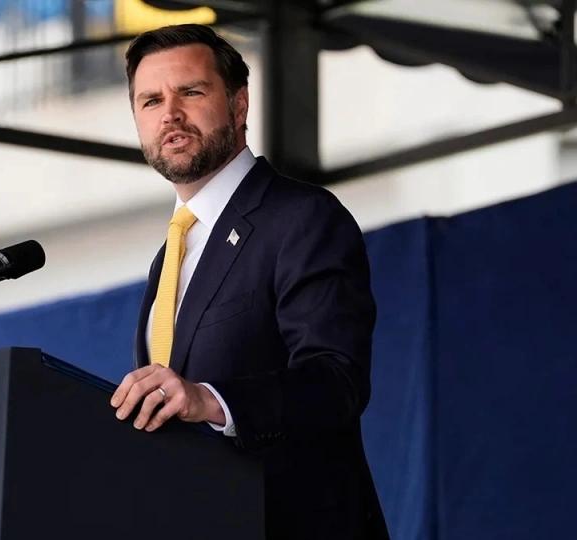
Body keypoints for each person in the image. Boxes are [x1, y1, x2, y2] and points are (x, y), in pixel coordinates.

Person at [108, 24, 388, 539]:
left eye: (191, 92)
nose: (170, 113)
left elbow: (336, 380)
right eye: (150, 101)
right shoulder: (169, 257)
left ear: (239, 105)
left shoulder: (301, 217)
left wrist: (210, 399)